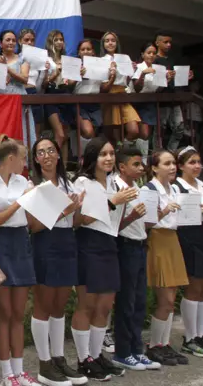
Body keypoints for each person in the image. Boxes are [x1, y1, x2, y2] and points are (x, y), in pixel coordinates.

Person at [69, 138, 135, 381]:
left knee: (105, 305)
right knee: (86, 303)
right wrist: (111, 202)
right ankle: (83, 358)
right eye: (103, 154)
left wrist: (122, 202)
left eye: (111, 153)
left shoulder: (115, 183)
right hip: (88, 243)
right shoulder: (82, 182)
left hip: (110, 243)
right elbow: (79, 220)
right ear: (92, 157)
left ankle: (96, 356)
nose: (108, 158)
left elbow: (116, 220)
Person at [28, 137, 86, 386]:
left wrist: (79, 208)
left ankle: (59, 358)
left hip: (66, 241)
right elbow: (34, 226)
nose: (47, 155)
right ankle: (44, 364)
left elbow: (75, 221)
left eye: (51, 150)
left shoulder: (67, 182)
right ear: (36, 159)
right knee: (44, 303)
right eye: (41, 152)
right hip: (45, 243)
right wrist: (65, 210)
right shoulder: (34, 186)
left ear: (59, 155)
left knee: (60, 304)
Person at [0, 136, 39, 386]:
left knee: (18, 312)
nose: (25, 163)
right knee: (4, 311)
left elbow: (32, 215)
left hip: (21, 242)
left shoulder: (23, 181)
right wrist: (20, 202)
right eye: (23, 158)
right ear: (10, 159)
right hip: (1, 243)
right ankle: (6, 373)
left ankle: (19, 371)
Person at [111, 148, 161, 372]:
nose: (141, 169)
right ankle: (123, 352)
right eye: (136, 164)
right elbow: (114, 226)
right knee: (126, 302)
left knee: (140, 300)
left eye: (142, 165)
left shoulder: (140, 190)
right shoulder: (117, 189)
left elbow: (146, 223)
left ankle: (137, 349)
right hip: (125, 246)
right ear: (122, 167)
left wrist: (158, 214)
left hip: (141, 245)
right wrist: (132, 216)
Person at [173, 147, 203, 358]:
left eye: (199, 162)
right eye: (192, 162)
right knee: (193, 287)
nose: (197, 166)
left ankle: (201, 334)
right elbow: (177, 214)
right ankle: (190, 337)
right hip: (189, 235)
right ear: (181, 165)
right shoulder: (177, 187)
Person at [143, 150, 189, 366]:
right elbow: (145, 224)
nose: (172, 167)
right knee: (165, 299)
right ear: (154, 167)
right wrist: (164, 211)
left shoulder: (174, 188)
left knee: (172, 298)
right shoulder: (149, 189)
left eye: (173, 163)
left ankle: (164, 342)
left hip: (172, 238)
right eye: (167, 163)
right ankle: (154, 345)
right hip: (158, 239)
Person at [0, 30, 36, 151]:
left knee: (21, 130)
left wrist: (7, 68)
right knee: (3, 132)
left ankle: (25, 165)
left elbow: (24, 78)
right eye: (8, 40)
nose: (11, 42)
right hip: (0, 102)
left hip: (19, 102)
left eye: (13, 40)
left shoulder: (22, 59)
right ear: (0, 43)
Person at [98, 32, 139, 146]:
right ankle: (118, 155)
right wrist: (112, 75)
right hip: (109, 95)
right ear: (103, 44)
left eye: (113, 40)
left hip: (123, 94)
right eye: (107, 41)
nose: (110, 43)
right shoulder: (101, 61)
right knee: (114, 136)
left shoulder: (124, 58)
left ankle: (125, 148)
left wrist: (132, 70)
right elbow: (102, 85)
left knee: (133, 130)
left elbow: (127, 81)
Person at [153, 33, 192, 151]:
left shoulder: (172, 60)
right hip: (161, 97)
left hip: (174, 97)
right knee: (160, 128)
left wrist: (186, 77)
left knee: (180, 127)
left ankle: (171, 151)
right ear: (157, 43)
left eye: (170, 42)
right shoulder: (154, 60)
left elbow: (179, 79)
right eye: (165, 42)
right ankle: (157, 152)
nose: (169, 45)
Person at [42, 30, 74, 163]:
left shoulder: (67, 59)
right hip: (51, 94)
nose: (60, 42)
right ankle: (50, 163)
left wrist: (78, 76)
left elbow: (71, 82)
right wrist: (56, 73)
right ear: (51, 42)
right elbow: (43, 83)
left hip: (65, 93)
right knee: (59, 134)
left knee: (65, 136)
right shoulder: (46, 59)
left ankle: (64, 171)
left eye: (61, 39)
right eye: (56, 40)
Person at [72, 39, 106, 155]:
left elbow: (103, 87)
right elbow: (67, 86)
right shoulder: (74, 65)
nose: (86, 51)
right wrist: (78, 74)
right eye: (83, 49)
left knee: (94, 133)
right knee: (88, 131)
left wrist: (111, 77)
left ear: (93, 52)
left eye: (88, 49)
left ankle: (91, 158)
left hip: (95, 102)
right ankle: (84, 158)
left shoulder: (99, 65)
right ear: (79, 52)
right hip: (79, 103)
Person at [130, 42, 163, 159]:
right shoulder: (138, 67)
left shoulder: (157, 69)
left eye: (154, 53)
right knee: (140, 132)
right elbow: (137, 88)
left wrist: (166, 80)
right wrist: (143, 74)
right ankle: (137, 157)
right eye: (149, 53)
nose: (151, 55)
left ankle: (143, 159)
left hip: (150, 103)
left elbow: (157, 89)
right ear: (142, 54)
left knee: (147, 134)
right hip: (137, 102)